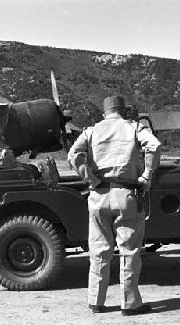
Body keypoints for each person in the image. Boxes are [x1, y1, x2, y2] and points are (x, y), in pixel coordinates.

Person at [67, 95, 161, 316]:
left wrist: (90, 178)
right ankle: (129, 304)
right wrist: (146, 176)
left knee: (99, 250)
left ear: (105, 113)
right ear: (124, 111)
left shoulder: (91, 130)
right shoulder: (134, 127)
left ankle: (96, 302)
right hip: (126, 194)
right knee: (129, 250)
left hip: (98, 195)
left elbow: (74, 154)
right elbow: (154, 146)